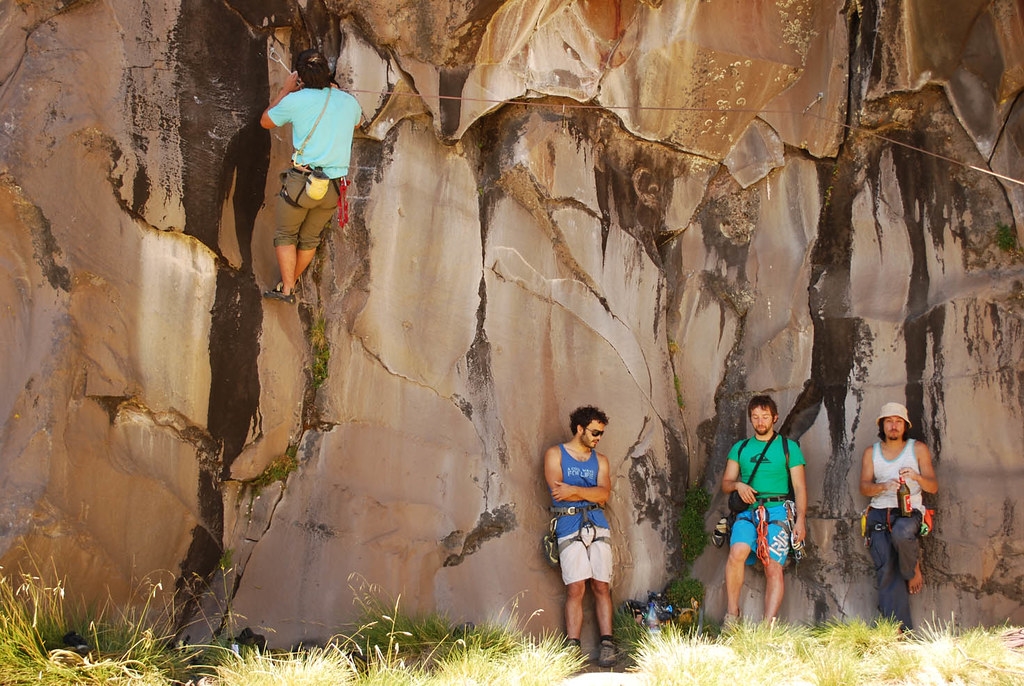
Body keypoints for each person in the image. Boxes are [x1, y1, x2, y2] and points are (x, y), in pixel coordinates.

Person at [260, 49, 363, 304]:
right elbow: (357, 123)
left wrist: (285, 90)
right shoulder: (347, 101)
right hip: (333, 189)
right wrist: (335, 91)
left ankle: (287, 289)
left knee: (286, 234)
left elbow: (266, 121)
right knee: (309, 239)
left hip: (301, 183)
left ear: (300, 77)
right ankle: (288, 284)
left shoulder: (295, 100)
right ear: (328, 74)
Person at [721, 394, 807, 625]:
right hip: (749, 511)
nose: (760, 422)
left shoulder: (789, 448)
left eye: (765, 417)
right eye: (756, 417)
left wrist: (801, 521)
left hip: (778, 511)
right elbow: (726, 482)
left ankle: (768, 626)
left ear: (775, 418)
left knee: (773, 565)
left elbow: (799, 487)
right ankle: (732, 616)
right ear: (751, 419)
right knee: (737, 552)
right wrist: (738, 485)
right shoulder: (741, 448)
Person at [544, 406, 616, 667]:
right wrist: (589, 492)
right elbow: (557, 493)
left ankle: (607, 642)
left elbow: (604, 494)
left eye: (601, 434)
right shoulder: (555, 454)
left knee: (601, 585)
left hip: (598, 523)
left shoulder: (602, 460)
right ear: (579, 429)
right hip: (568, 524)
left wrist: (573, 489)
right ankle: (572, 646)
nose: (598, 438)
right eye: (595, 432)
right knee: (575, 586)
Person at [859, 401, 938, 631]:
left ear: (905, 426)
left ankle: (912, 568)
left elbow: (933, 487)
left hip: (909, 511)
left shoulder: (918, 449)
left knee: (902, 533)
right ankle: (898, 632)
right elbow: (864, 487)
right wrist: (883, 486)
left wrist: (916, 476)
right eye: (889, 421)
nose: (893, 426)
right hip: (879, 512)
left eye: (898, 422)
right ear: (882, 425)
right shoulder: (871, 452)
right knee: (886, 572)